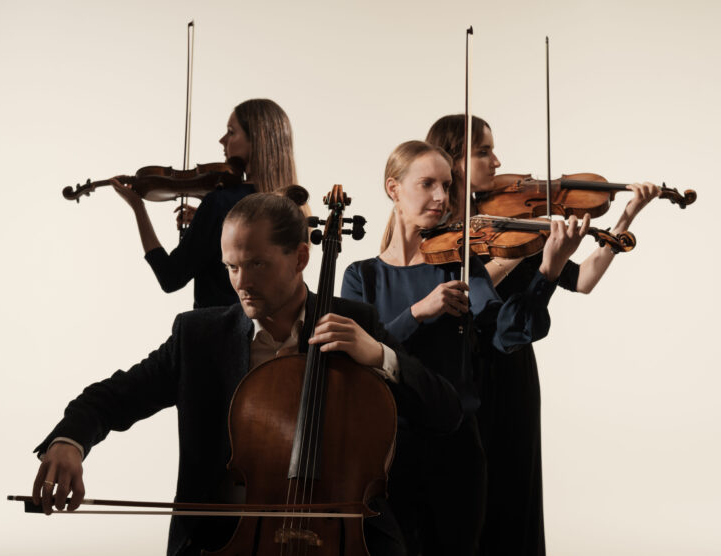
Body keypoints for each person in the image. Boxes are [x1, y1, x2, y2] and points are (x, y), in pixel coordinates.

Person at [30, 187, 463, 556]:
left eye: (256, 264)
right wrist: (69, 443)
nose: (240, 282)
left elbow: (446, 412)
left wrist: (379, 355)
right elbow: (114, 397)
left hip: (347, 539)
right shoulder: (200, 336)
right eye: (231, 267)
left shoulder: (356, 322)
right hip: (225, 539)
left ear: (299, 258)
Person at [426, 114, 660, 555]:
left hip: (512, 368)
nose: (497, 161)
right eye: (483, 151)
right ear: (452, 161)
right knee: (462, 499)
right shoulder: (441, 229)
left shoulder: (517, 224)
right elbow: (470, 286)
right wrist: (518, 244)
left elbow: (584, 278)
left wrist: (626, 215)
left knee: (515, 488)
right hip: (458, 368)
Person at [340, 140, 589, 555]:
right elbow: (360, 355)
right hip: (385, 450)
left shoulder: (461, 265)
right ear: (393, 188)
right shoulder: (361, 276)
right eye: (427, 184)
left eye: (447, 185)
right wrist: (420, 311)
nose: (441, 197)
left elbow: (508, 333)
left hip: (456, 446)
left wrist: (549, 269)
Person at [112, 98, 299, 308]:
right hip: (263, 334)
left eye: (231, 132)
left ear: (256, 139)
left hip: (214, 331)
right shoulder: (292, 204)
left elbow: (170, 277)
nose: (222, 140)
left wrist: (138, 208)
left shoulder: (220, 203)